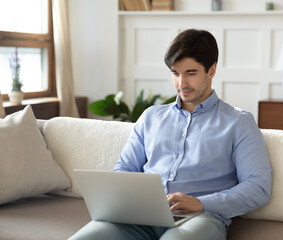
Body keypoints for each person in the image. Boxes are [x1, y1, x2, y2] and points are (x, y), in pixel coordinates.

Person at [69, 29, 272, 240]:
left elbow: (258, 187)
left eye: (191, 73)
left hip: (201, 217)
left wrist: (201, 203)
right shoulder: (150, 117)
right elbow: (124, 168)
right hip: (141, 217)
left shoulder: (239, 122)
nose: (181, 84)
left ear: (211, 70)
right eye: (175, 73)